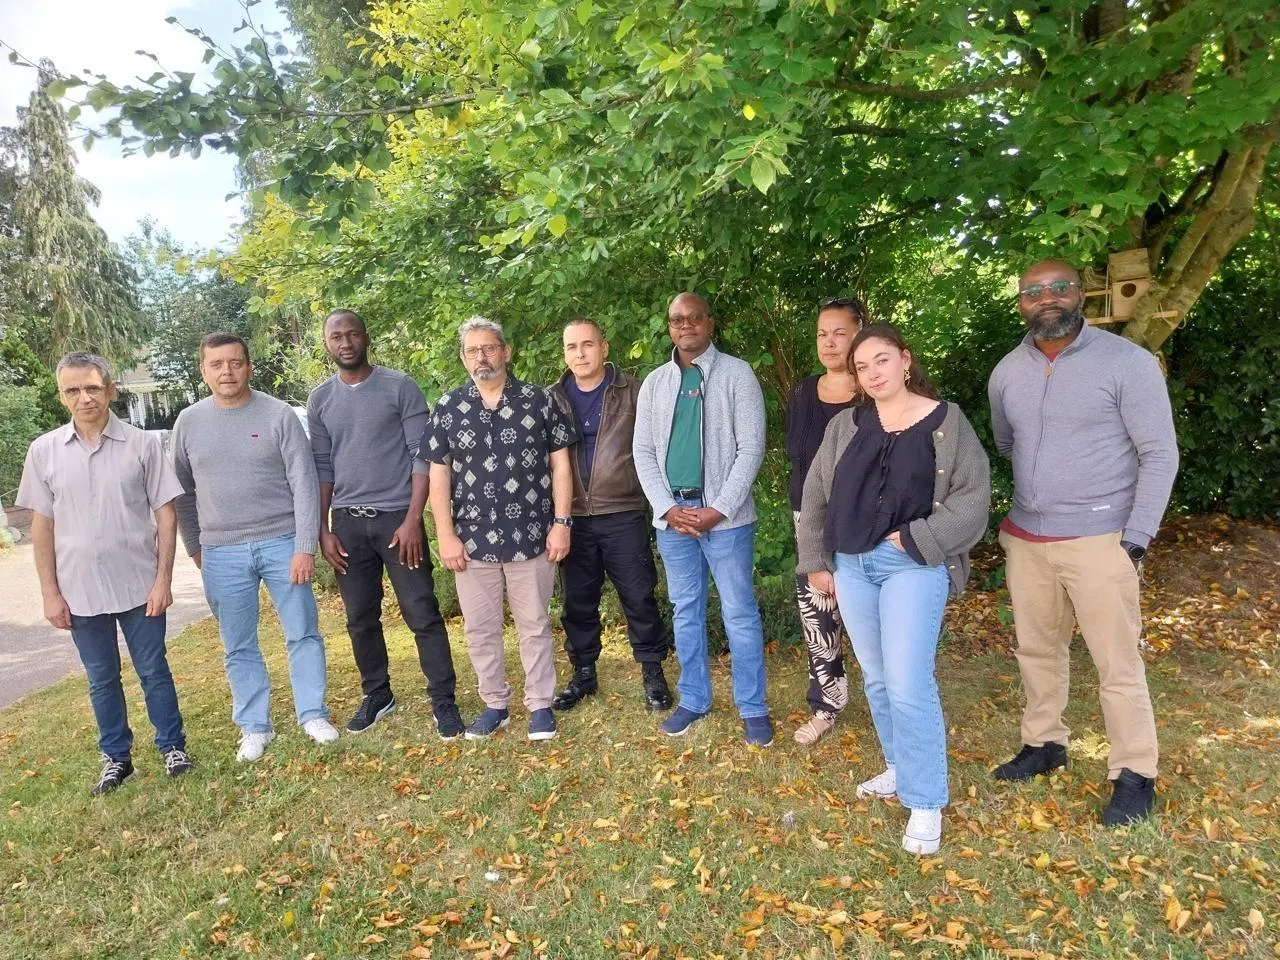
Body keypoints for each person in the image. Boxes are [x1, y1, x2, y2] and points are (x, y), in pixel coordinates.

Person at [988, 259, 1178, 826]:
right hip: (1028, 538)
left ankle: (1135, 771)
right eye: (1033, 291)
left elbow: (1160, 453)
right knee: (1037, 651)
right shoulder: (1006, 372)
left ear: (1081, 295)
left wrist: (1136, 538)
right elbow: (1007, 444)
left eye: (1059, 287)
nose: (1047, 298)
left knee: (1116, 662)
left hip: (1102, 539)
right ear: (1021, 303)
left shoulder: (1127, 363)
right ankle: (1044, 743)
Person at [797, 324, 990, 855]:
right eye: (862, 367)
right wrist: (816, 559)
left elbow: (973, 498)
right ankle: (900, 768)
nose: (873, 373)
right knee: (879, 679)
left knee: (907, 681)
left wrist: (918, 538)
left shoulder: (947, 421)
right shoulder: (846, 425)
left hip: (912, 565)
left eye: (881, 360)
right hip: (851, 564)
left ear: (905, 359)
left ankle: (925, 801)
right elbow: (815, 493)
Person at [17, 352, 193, 794]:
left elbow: (166, 514)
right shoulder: (44, 452)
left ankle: (173, 747)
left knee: (153, 670)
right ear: (62, 396)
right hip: (79, 591)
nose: (84, 398)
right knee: (100, 678)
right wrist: (49, 593)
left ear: (110, 390)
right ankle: (117, 758)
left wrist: (164, 580)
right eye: (73, 390)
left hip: (139, 585)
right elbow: (42, 527)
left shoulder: (142, 445)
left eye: (93, 387)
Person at [172, 332, 339, 761]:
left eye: (235, 362)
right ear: (204, 370)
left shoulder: (278, 415)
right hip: (220, 551)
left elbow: (304, 485)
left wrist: (304, 546)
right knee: (238, 643)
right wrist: (195, 547)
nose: (227, 372)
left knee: (302, 632)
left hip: (282, 542)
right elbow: (182, 492)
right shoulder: (188, 422)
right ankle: (254, 726)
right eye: (217, 364)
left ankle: (312, 714)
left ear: (248, 366)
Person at [419, 317, 577, 742]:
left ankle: (540, 704)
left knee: (534, 624)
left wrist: (562, 523)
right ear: (463, 358)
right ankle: (495, 704)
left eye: (489, 348)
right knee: (480, 629)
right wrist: (445, 535)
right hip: (471, 541)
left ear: (505, 351)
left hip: (532, 535)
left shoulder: (539, 401)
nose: (481, 357)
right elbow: (438, 475)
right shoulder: (449, 407)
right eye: (472, 351)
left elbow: (561, 465)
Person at [308, 309, 464, 738]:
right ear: (327, 343)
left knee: (422, 612)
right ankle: (378, 694)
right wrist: (323, 529)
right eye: (336, 336)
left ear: (366, 337)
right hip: (347, 524)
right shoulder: (320, 399)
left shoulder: (400, 387)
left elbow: (423, 456)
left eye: (352, 334)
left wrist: (414, 519)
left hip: (398, 520)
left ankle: (444, 701)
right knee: (360, 617)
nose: (345, 343)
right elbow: (322, 467)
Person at [633, 292, 772, 745]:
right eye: (677, 319)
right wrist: (666, 508)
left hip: (726, 522)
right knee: (686, 611)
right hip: (674, 521)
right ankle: (694, 698)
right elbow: (643, 451)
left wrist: (720, 509)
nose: (686, 325)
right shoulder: (655, 383)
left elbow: (751, 448)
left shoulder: (737, 374)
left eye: (694, 317)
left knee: (739, 612)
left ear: (710, 323)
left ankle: (753, 707)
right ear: (669, 327)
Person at [548, 319, 673, 711]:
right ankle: (584, 673)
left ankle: (652, 672)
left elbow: (657, 447)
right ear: (565, 353)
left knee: (638, 596)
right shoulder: (550, 399)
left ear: (604, 348)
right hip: (572, 516)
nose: (580, 353)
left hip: (623, 510)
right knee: (577, 601)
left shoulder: (633, 391)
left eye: (588, 344)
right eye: (572, 347)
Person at [785, 297, 867, 745]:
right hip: (810, 520)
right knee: (818, 618)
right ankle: (827, 704)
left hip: (865, 523)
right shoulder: (801, 394)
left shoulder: (874, 392)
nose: (829, 342)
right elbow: (796, 461)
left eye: (839, 333)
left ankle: (891, 699)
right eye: (822, 334)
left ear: (859, 334)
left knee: (872, 616)